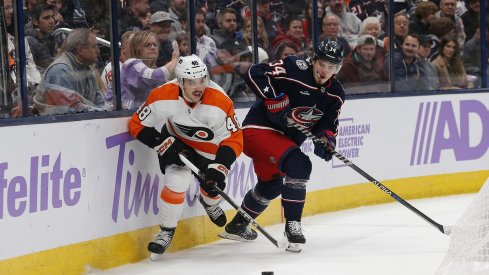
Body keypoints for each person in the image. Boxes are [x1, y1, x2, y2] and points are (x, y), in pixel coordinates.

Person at [220, 39, 346, 252]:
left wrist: (327, 140)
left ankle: (238, 225)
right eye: (322, 64)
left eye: (331, 67)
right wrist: (273, 98)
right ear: (314, 60)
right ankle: (292, 226)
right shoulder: (294, 67)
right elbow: (255, 72)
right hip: (258, 130)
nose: (325, 71)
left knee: (272, 185)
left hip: (282, 143)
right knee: (299, 165)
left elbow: (327, 125)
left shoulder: (336, 94)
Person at [128, 54, 243, 258]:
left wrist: (218, 170)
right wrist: (161, 143)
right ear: (180, 82)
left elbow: (234, 138)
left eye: (202, 80)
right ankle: (166, 231)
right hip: (176, 143)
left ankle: (209, 202)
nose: (199, 87)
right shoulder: (162, 95)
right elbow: (137, 124)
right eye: (191, 82)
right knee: (176, 183)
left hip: (211, 148)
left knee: (213, 185)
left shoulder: (219, 101)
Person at [33, 28, 107, 114]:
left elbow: (100, 103)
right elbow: (72, 111)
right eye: (94, 46)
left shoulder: (87, 69)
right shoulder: (60, 71)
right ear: (80, 50)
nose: (98, 51)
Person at [121, 30, 179, 108]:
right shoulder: (131, 64)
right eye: (147, 45)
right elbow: (155, 77)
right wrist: (174, 59)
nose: (152, 47)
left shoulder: (152, 68)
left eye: (155, 45)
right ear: (137, 49)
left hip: (134, 115)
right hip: (115, 116)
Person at [25, 3, 58, 73]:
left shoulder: (50, 36)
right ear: (35, 21)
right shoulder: (28, 41)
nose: (51, 21)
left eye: (52, 17)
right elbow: (33, 72)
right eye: (46, 18)